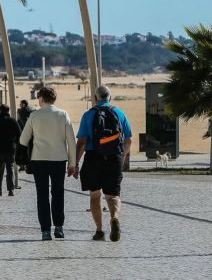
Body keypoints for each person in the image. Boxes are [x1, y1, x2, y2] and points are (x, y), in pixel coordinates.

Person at [75, 85, 133, 242]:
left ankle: (99, 231)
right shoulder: (120, 113)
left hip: (93, 158)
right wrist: (121, 157)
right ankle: (114, 217)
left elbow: (82, 142)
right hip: (114, 158)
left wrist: (74, 163)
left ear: (95, 98)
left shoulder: (88, 115)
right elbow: (128, 139)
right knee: (113, 195)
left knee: (95, 195)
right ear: (110, 97)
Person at [19, 86, 77, 240]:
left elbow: (23, 140)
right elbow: (71, 141)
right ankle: (59, 227)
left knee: (42, 195)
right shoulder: (63, 114)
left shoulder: (34, 116)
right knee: (58, 193)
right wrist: (73, 163)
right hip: (59, 159)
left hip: (39, 159)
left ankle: (45, 230)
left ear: (41, 99)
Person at [0, 104, 22, 196]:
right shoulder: (13, 121)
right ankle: (10, 190)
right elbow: (19, 134)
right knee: (10, 169)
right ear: (8, 111)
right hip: (10, 149)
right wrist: (15, 144)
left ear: (0, 111)